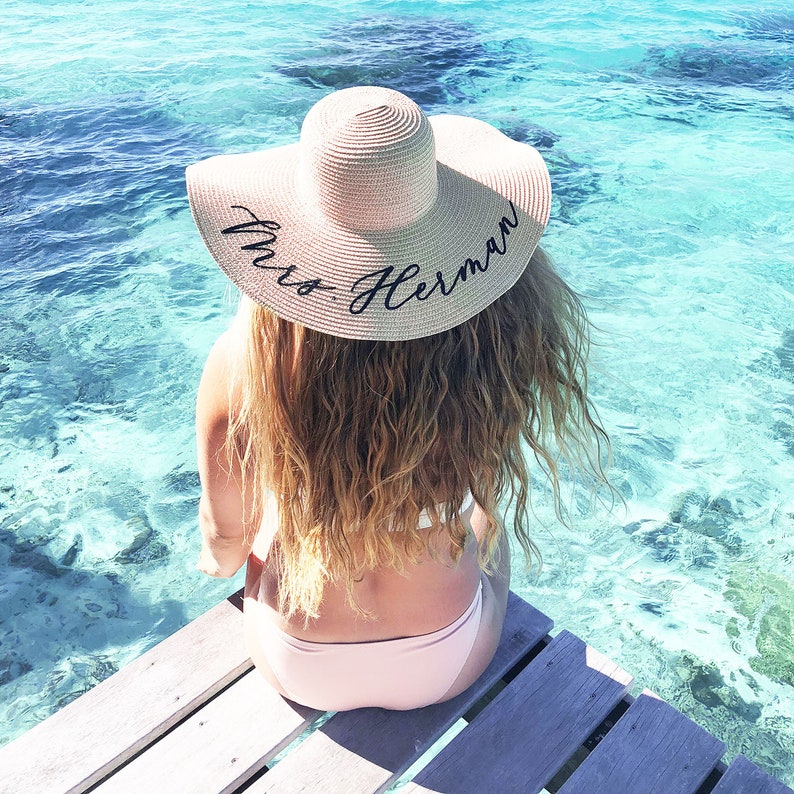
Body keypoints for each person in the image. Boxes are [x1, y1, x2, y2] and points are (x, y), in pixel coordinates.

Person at [188, 86, 608, 711]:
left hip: (298, 661)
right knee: (483, 521)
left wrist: (223, 561)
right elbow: (486, 501)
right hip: (449, 657)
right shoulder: (490, 352)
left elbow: (226, 539)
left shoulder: (243, 363)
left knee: (286, 513)